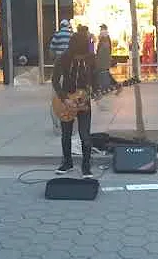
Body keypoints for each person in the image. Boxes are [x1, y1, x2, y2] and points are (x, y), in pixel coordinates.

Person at [54, 25, 95, 178]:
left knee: (85, 135)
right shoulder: (63, 59)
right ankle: (67, 162)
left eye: (82, 55)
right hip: (67, 101)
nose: (80, 58)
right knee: (66, 135)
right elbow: (55, 81)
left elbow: (96, 78)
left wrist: (107, 87)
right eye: (78, 55)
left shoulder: (90, 58)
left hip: (84, 101)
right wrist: (64, 99)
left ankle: (86, 166)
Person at [49, 19, 72, 95]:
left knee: (55, 78)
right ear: (67, 26)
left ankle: (60, 95)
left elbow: (52, 47)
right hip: (68, 58)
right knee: (66, 75)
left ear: (61, 25)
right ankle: (65, 92)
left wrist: (53, 57)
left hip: (59, 58)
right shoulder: (71, 34)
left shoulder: (57, 34)